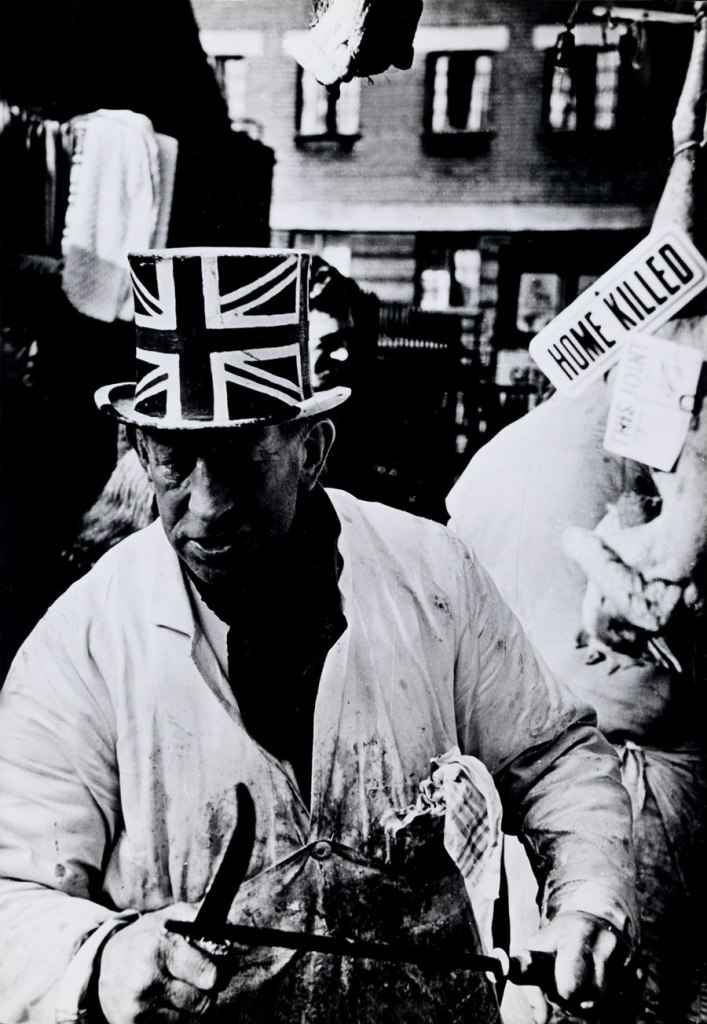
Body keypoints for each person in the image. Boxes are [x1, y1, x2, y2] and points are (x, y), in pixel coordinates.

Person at [0, 247, 636, 1024]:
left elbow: (554, 760)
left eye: (238, 458)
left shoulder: (430, 576)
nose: (203, 506)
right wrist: (101, 960)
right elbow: (11, 894)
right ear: (139, 451)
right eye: (173, 460)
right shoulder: (86, 642)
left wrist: (588, 905)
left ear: (312, 451)